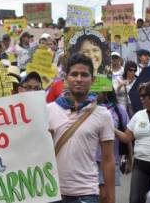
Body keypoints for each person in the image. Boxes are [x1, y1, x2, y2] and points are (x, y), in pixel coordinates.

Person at [48, 53, 115, 203]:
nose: (79, 79)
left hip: (87, 193)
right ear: (66, 78)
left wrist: (111, 199)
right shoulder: (49, 110)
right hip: (53, 192)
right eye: (74, 74)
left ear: (93, 80)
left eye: (84, 75)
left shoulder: (103, 114)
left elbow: (108, 159)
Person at [96, 91, 132, 203]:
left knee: (107, 195)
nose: (94, 94)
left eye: (97, 92)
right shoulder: (89, 109)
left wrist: (130, 160)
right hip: (91, 160)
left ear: (106, 92)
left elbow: (128, 135)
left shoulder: (119, 110)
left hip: (112, 159)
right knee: (99, 195)